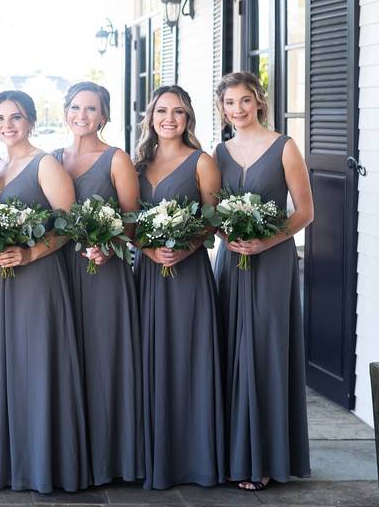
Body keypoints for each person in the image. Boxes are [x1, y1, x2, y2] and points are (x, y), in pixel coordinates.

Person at [0, 90, 88, 493]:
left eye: (16, 117)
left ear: (30, 121)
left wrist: (29, 255)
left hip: (39, 278)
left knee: (42, 364)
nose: (7, 125)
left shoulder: (46, 164)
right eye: (0, 118)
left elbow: (69, 225)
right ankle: (15, 463)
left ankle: (48, 465)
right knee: (11, 364)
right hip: (4, 281)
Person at [214, 71, 313, 491]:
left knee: (267, 351)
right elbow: (211, 213)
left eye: (244, 100)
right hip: (230, 262)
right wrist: (228, 237)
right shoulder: (217, 153)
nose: (237, 109)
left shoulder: (284, 147)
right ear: (221, 108)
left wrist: (265, 240)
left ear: (258, 101)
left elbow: (305, 212)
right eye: (229, 103)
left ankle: (266, 457)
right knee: (229, 348)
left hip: (272, 263)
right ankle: (231, 455)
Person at [133, 85, 225, 490]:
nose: (169, 119)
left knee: (190, 358)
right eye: (162, 111)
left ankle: (196, 459)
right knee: (151, 360)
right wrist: (148, 251)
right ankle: (155, 456)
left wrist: (184, 249)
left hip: (188, 277)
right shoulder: (137, 164)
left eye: (179, 112)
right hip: (148, 274)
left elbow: (214, 221)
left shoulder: (202, 162)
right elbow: (127, 221)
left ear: (188, 119)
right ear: (151, 117)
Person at [53, 82, 143, 485]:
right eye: (75, 107)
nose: (82, 115)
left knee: (104, 359)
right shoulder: (54, 158)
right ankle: (72, 454)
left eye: (91, 109)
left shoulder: (116, 159)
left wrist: (108, 244)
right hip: (61, 272)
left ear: (104, 116)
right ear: (65, 111)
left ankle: (110, 459)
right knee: (68, 361)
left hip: (104, 271)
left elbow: (132, 218)